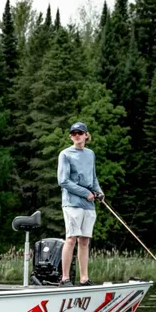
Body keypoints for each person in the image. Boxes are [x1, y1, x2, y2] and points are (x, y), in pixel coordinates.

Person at [57, 122, 103, 286]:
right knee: (71, 239)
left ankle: (84, 278)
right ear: (71, 136)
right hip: (72, 203)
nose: (76, 135)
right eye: (73, 133)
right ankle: (65, 278)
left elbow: (93, 177)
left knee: (84, 241)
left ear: (86, 135)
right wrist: (86, 193)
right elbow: (63, 181)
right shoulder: (65, 154)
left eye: (79, 132)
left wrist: (99, 192)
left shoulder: (90, 154)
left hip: (89, 205)